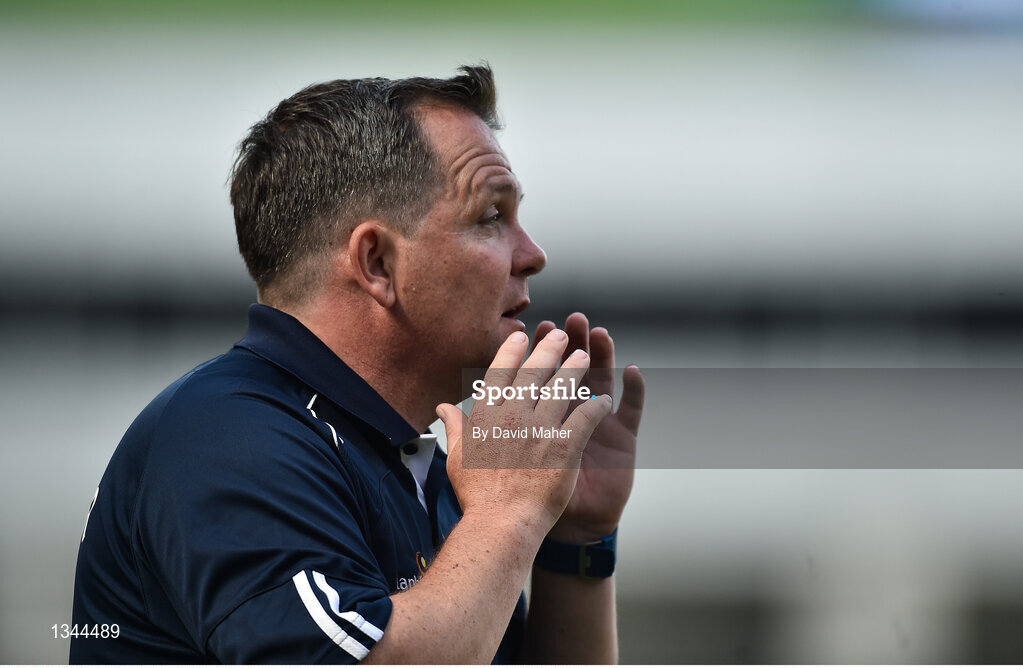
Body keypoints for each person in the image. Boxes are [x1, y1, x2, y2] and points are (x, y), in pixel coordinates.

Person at [70, 64, 645, 664]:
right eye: (491, 217)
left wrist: (574, 539)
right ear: (375, 262)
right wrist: (509, 512)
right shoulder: (226, 436)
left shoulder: (424, 466)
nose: (533, 255)